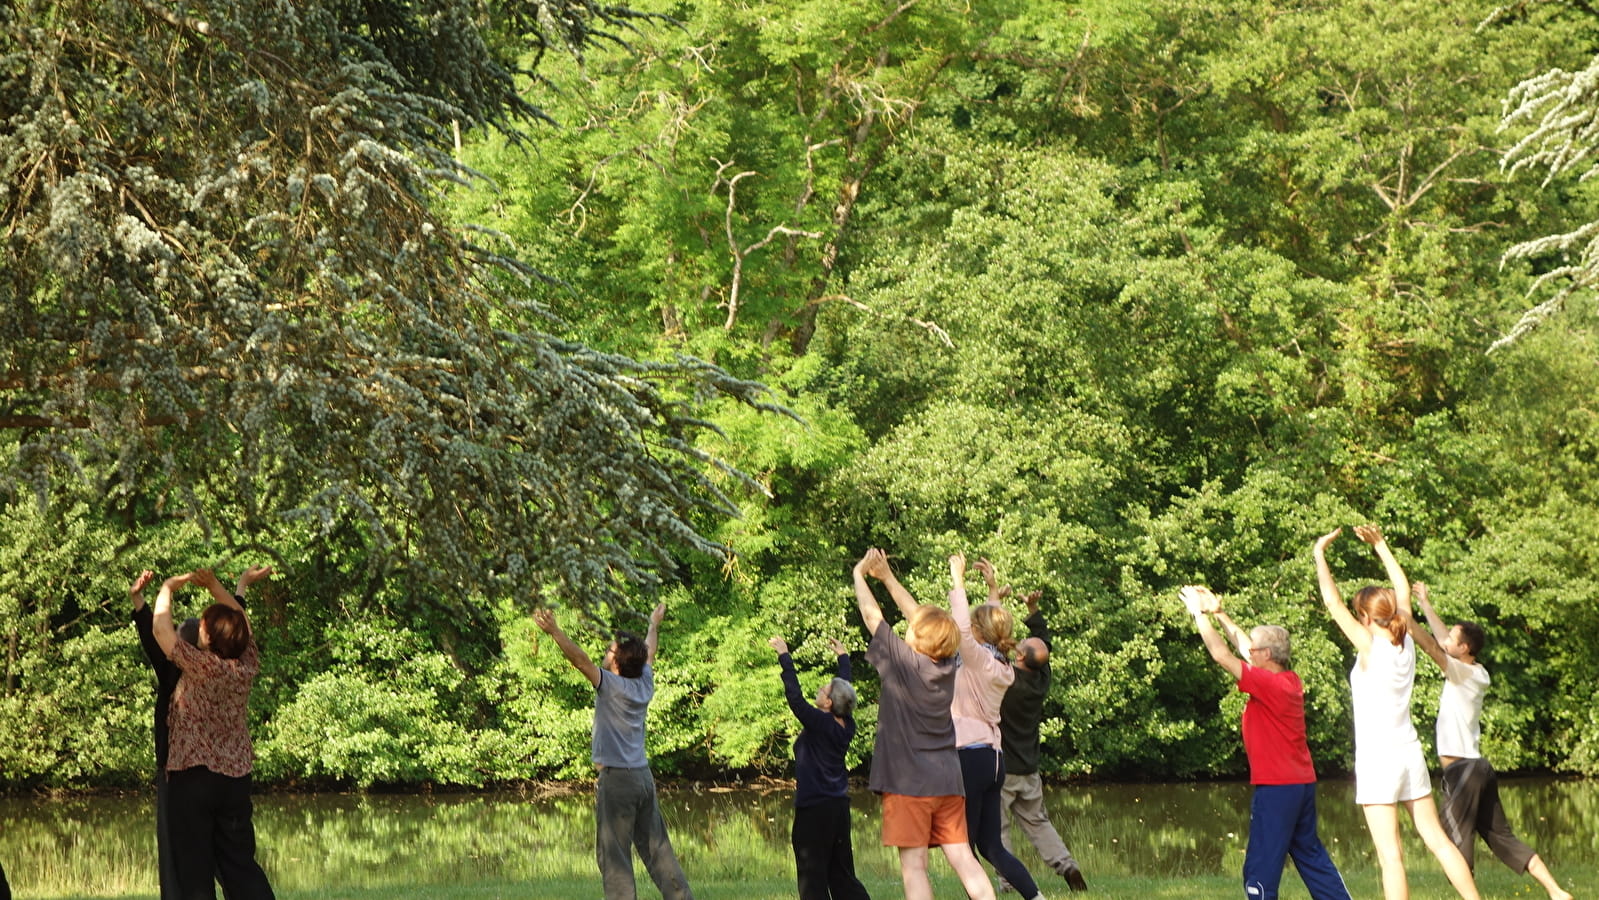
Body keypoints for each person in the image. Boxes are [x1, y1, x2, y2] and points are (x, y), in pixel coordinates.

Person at [1313, 525, 1480, 900]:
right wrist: (1382, 546)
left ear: (1366, 617)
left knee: (1391, 857)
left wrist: (1320, 555)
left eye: (1361, 614)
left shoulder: (1369, 644)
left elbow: (1331, 603)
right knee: (1437, 840)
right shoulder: (1404, 637)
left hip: (1379, 759)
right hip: (1409, 752)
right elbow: (1401, 591)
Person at [1179, 584, 1352, 900]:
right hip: (1301, 784)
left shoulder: (1268, 684)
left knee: (1260, 866)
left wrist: (1199, 614)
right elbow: (1244, 646)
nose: (1250, 652)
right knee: (1310, 855)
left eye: (1255, 650)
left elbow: (1221, 654)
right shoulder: (1288, 680)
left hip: (1277, 788)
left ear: (1267, 655)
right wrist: (1219, 613)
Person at [1408, 583, 1573, 900]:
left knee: (1450, 841)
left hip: (1462, 772)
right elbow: (1442, 640)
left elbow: (1431, 646)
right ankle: (1556, 891)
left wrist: (1406, 619)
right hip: (1479, 768)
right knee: (1502, 837)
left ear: (1464, 649)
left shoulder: (1461, 673)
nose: (1447, 642)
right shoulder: (1477, 672)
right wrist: (1426, 603)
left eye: (1453, 642)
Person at [852, 547, 996, 900]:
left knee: (914, 866)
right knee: (963, 857)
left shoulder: (903, 663)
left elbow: (874, 619)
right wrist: (886, 578)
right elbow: (924, 620)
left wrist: (859, 575)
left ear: (917, 638)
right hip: (948, 780)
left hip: (908, 784)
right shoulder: (946, 664)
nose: (910, 626)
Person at [534, 601, 693, 900]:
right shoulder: (644, 682)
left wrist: (555, 631)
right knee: (658, 850)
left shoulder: (610, 685)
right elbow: (650, 651)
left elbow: (580, 661)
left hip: (618, 781)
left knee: (614, 856)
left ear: (617, 662)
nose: (605, 653)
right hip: (642, 778)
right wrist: (653, 625)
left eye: (609, 651)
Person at [133, 568, 259, 900]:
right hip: (236, 778)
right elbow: (242, 623)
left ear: (206, 633)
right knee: (240, 865)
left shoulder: (201, 665)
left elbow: (161, 630)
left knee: (194, 871)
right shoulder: (247, 664)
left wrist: (167, 588)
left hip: (193, 778)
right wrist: (218, 586)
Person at [976, 562, 1087, 893]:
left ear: (1019, 658)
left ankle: (1008, 880)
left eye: (1020, 643)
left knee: (999, 826)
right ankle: (1067, 865)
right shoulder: (1041, 678)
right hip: (1030, 768)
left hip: (1005, 767)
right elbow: (1043, 644)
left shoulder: (1006, 681)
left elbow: (989, 645)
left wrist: (993, 594)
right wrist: (1033, 609)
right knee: (1037, 821)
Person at [947, 554, 1046, 900]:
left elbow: (964, 628)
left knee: (963, 846)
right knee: (991, 846)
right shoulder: (1002, 664)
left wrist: (958, 580)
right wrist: (991, 590)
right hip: (994, 760)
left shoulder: (976, 660)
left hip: (970, 758)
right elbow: (991, 627)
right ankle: (1037, 898)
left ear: (977, 634)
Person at [769, 634, 872, 900]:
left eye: (823, 691)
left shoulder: (821, 723)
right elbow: (844, 689)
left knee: (812, 877)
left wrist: (784, 656)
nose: (819, 690)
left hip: (815, 810)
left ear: (828, 703)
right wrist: (843, 657)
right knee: (841, 874)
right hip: (838, 808)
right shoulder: (846, 723)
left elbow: (795, 698)